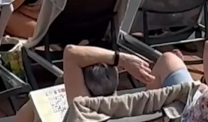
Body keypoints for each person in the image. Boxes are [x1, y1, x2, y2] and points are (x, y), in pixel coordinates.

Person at [15, 38, 208, 122]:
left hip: (182, 106)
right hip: (180, 103)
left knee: (32, 107)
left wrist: (123, 59)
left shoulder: (83, 110)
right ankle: (150, 103)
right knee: (168, 60)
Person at [14, 44, 155, 122]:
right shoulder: (135, 107)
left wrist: (121, 59)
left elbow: (71, 52)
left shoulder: (82, 114)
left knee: (34, 106)